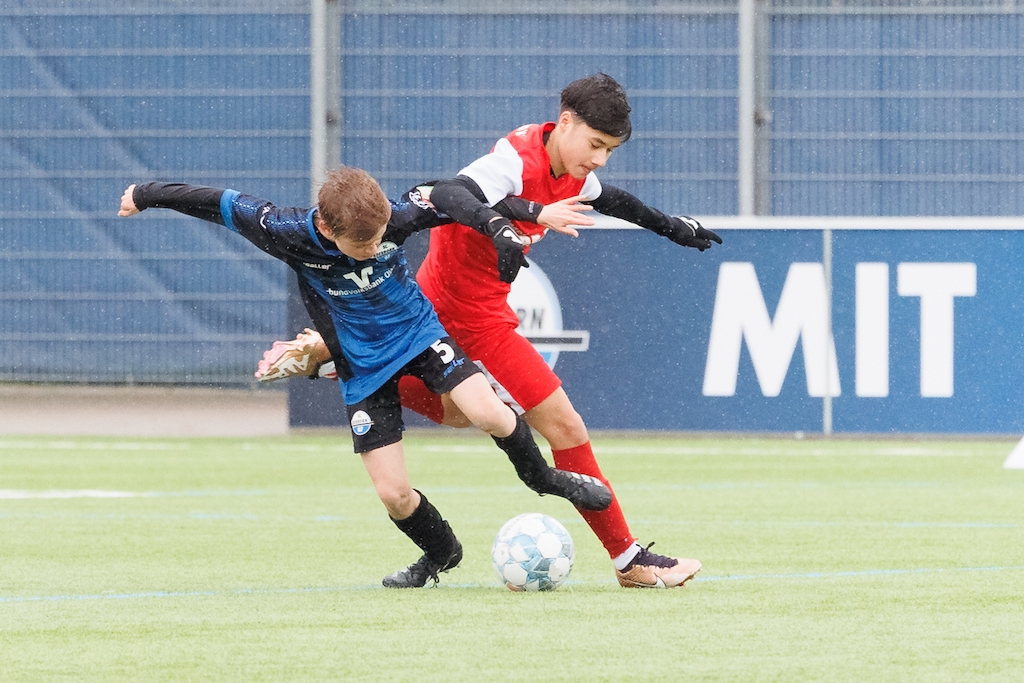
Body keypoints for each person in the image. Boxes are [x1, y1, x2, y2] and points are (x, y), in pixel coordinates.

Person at [261, 73, 721, 589]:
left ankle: (334, 361)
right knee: (565, 427)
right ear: (564, 122)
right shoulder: (514, 159)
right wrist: (518, 218)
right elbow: (451, 193)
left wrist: (671, 227)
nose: (600, 159)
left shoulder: (571, 171)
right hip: (463, 317)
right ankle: (629, 560)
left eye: (610, 150)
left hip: (468, 312)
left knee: (463, 415)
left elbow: (613, 199)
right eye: (596, 144)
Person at [117, 166, 612, 589]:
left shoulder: (394, 216)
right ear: (326, 228)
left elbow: (453, 193)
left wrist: (510, 220)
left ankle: (544, 478)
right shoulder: (284, 230)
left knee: (489, 412)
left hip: (419, 334)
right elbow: (216, 202)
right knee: (393, 495)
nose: (376, 247)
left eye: (380, 238)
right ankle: (440, 551)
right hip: (362, 365)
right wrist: (146, 194)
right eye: (364, 243)